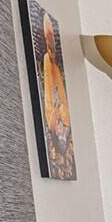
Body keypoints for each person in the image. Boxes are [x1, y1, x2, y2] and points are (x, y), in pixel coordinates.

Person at [39, 12, 75, 178]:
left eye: (59, 133)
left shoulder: (52, 114)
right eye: (63, 133)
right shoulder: (63, 116)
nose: (61, 130)